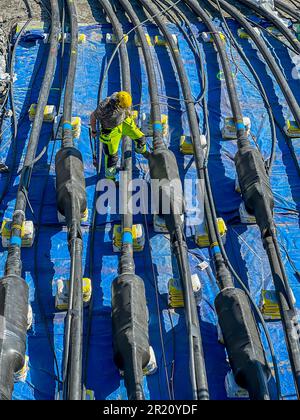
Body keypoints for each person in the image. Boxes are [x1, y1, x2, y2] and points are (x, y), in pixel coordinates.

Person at [90, 91, 146, 181]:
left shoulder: (121, 97)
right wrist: (93, 130)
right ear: (118, 102)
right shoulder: (104, 107)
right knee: (112, 158)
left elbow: (126, 108)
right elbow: (93, 116)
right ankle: (110, 178)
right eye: (124, 107)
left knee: (141, 138)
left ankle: (141, 150)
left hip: (124, 121)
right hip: (110, 131)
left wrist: (128, 114)